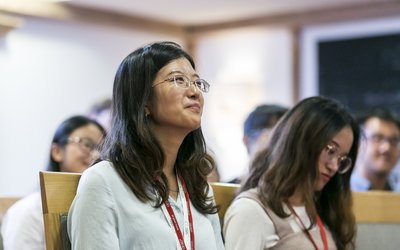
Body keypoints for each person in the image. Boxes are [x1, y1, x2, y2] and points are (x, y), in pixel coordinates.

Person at [67, 41, 224, 250]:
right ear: (144, 101)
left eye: (196, 82)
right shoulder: (104, 181)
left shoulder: (198, 185)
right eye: (178, 79)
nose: (194, 92)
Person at [224, 96, 360, 250]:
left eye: (342, 160)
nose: (334, 166)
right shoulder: (252, 210)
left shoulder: (321, 209)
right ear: (301, 140)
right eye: (330, 150)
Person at [1, 115, 105, 250]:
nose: (96, 155)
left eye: (102, 149)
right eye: (86, 144)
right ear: (57, 151)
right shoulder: (28, 212)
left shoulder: (98, 207)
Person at [229, 104, 288, 184]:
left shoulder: (299, 189)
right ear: (246, 141)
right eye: (270, 134)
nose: (280, 145)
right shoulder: (223, 189)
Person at [351, 108, 400, 191]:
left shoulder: (397, 195)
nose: (386, 148)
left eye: (393, 141)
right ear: (358, 144)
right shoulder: (339, 193)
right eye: (377, 138)